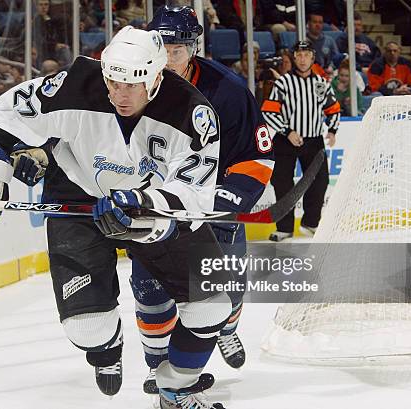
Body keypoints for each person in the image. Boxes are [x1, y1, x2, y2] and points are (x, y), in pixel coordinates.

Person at [0, 26, 232, 409]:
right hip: (77, 200)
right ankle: (106, 349)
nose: (120, 94)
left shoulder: (192, 112)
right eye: (114, 82)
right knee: (87, 328)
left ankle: (175, 388)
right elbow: (11, 111)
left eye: (132, 85)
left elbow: (194, 192)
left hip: (151, 208)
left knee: (212, 306)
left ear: (156, 77)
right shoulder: (76, 84)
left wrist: (142, 204)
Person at [131, 5, 274, 395]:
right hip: (156, 208)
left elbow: (256, 154)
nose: (166, 56)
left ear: (193, 48)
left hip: (213, 208)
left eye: (175, 48)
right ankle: (158, 365)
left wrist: (231, 195)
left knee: (224, 292)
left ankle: (226, 328)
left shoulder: (226, 90)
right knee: (150, 291)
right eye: (160, 46)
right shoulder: (129, 82)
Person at [262, 40, 340, 241]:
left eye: (307, 55)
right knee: (282, 183)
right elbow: (269, 112)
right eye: (299, 55)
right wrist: (287, 131)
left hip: (313, 141)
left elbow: (333, 108)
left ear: (313, 58)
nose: (303, 59)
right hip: (285, 141)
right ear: (294, 58)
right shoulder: (283, 83)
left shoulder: (321, 84)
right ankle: (285, 228)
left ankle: (311, 222)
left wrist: (332, 130)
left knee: (320, 181)